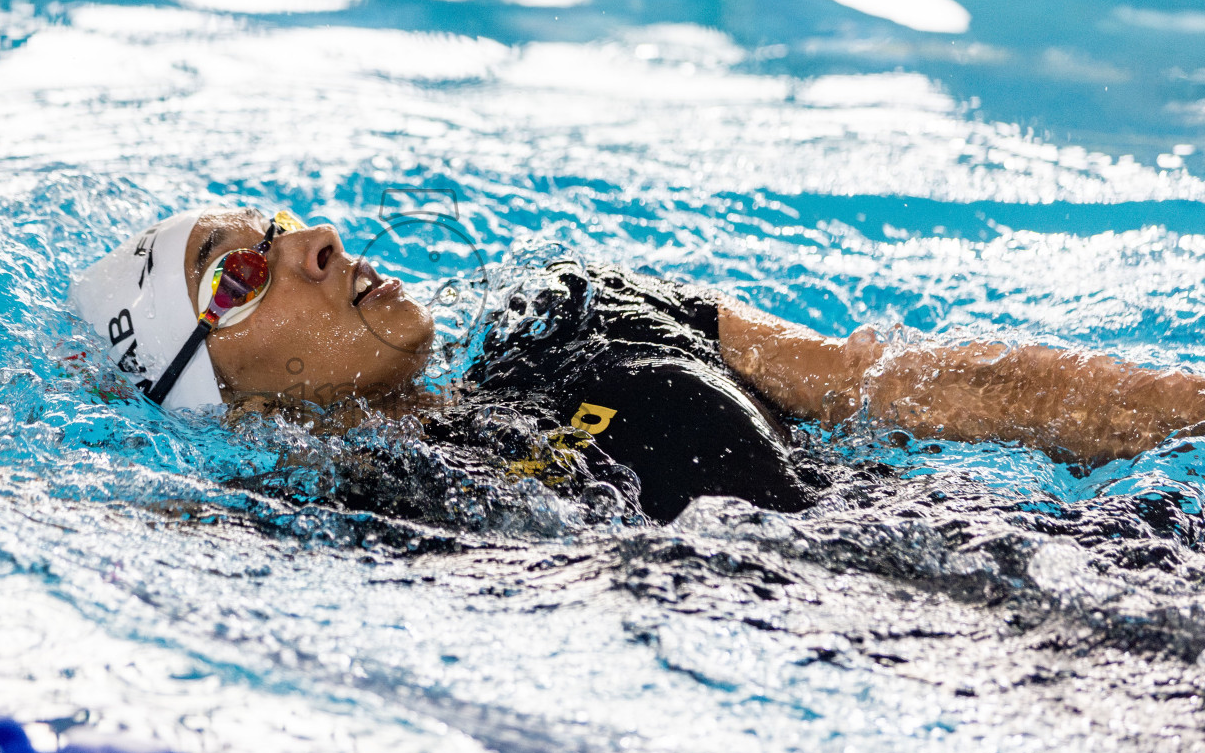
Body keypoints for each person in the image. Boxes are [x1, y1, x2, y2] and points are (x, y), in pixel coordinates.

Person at [73, 205, 1205, 524]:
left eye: (279, 226)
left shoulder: (569, 312)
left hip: (1078, 545)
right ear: (222, 403)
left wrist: (1186, 407)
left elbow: (893, 386)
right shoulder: (337, 524)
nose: (318, 242)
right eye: (240, 278)